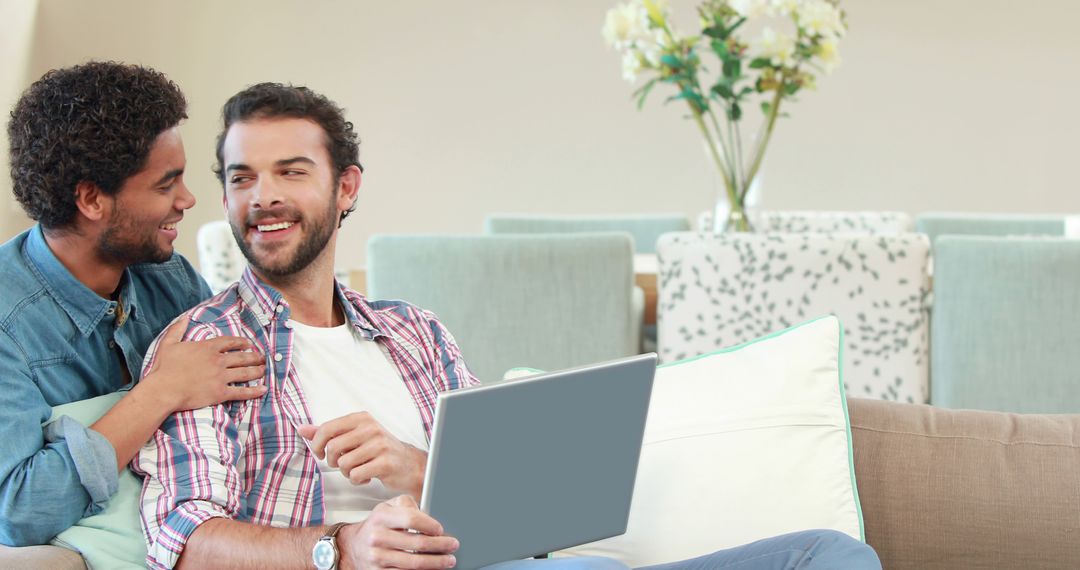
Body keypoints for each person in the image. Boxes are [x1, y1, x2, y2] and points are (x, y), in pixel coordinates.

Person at [134, 82, 881, 570]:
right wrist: (341, 548)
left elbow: (522, 511)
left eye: (291, 171)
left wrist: (416, 466)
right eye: (241, 178)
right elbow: (182, 533)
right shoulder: (202, 346)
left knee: (826, 554)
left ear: (346, 186)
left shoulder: (414, 332)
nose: (262, 197)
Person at [0, 61, 267, 546]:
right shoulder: (7, 322)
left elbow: (248, 404)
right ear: (91, 199)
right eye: (165, 184)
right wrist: (161, 391)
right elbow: (19, 511)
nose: (186, 199)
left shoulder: (171, 278)